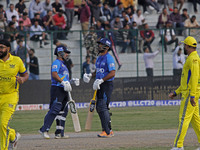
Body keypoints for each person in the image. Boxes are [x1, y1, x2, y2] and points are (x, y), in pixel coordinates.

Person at [39, 45, 79, 139]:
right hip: (57, 88)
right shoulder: (56, 62)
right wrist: (62, 82)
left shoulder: (64, 64)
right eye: (65, 53)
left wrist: (71, 81)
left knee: (63, 111)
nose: (67, 54)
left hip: (64, 89)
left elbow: (64, 78)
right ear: (60, 53)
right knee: (55, 109)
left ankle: (60, 132)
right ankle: (44, 130)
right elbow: (54, 74)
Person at [169, 36, 200, 150]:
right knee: (195, 120)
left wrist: (192, 95)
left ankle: (178, 145)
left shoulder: (193, 59)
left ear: (188, 46)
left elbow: (194, 78)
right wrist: (176, 92)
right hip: (190, 93)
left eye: (185, 45)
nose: (184, 47)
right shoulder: (192, 58)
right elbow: (186, 80)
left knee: (183, 119)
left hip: (190, 95)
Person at [83, 38, 115, 137]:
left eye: (101, 44)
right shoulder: (99, 58)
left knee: (102, 106)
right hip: (99, 84)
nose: (99, 46)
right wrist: (90, 75)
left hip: (106, 85)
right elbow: (98, 72)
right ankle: (108, 130)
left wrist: (102, 80)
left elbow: (112, 73)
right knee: (100, 107)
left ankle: (107, 132)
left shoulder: (108, 58)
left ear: (106, 46)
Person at [0, 39, 29, 150]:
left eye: (1, 47)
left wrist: (22, 79)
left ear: (8, 49)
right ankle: (13, 136)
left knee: (2, 123)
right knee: (1, 126)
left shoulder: (17, 61)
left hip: (10, 96)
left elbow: (25, 74)